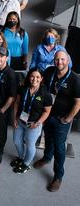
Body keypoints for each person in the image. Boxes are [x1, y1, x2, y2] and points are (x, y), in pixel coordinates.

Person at [33, 50, 80, 191]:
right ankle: (47, 157)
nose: (59, 62)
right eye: (57, 59)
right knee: (47, 138)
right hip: (48, 115)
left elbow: (78, 103)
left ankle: (58, 176)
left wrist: (67, 119)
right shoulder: (49, 72)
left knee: (59, 148)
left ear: (68, 60)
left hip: (62, 119)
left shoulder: (75, 79)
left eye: (62, 59)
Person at [12, 68, 52, 173]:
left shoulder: (45, 94)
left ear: (41, 78)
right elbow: (16, 103)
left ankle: (26, 164)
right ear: (29, 77)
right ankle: (21, 158)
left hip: (33, 125)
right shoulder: (23, 88)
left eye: (38, 77)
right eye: (32, 76)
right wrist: (14, 117)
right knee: (16, 141)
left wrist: (38, 123)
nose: (34, 79)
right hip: (20, 121)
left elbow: (47, 111)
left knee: (30, 145)